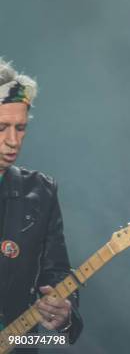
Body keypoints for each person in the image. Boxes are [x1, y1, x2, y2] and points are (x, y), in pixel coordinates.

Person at [0, 58, 83, 352]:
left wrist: (64, 312)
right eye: (2, 127)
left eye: (20, 128)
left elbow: (56, 271)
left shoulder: (39, 191)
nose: (12, 141)